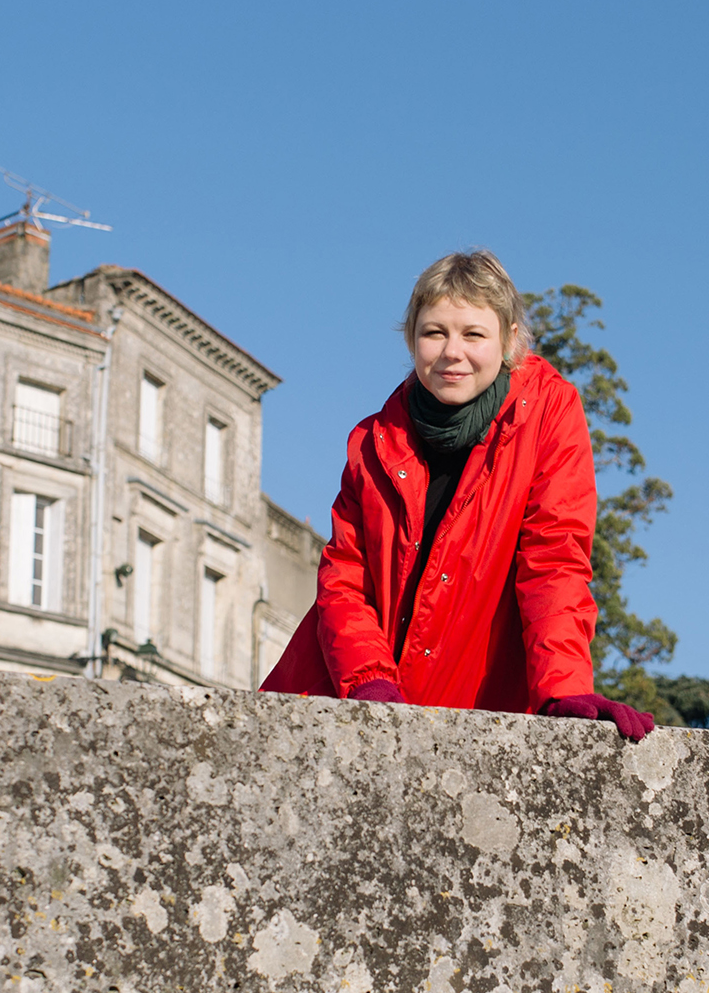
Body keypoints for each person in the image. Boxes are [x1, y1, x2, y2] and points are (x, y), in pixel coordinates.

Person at [259, 250, 654, 742]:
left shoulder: (549, 413)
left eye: (473, 334)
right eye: (434, 332)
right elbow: (344, 578)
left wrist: (564, 685)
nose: (452, 351)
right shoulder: (373, 438)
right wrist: (370, 681)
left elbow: (554, 560)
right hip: (341, 695)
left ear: (509, 340)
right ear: (411, 338)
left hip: (466, 704)